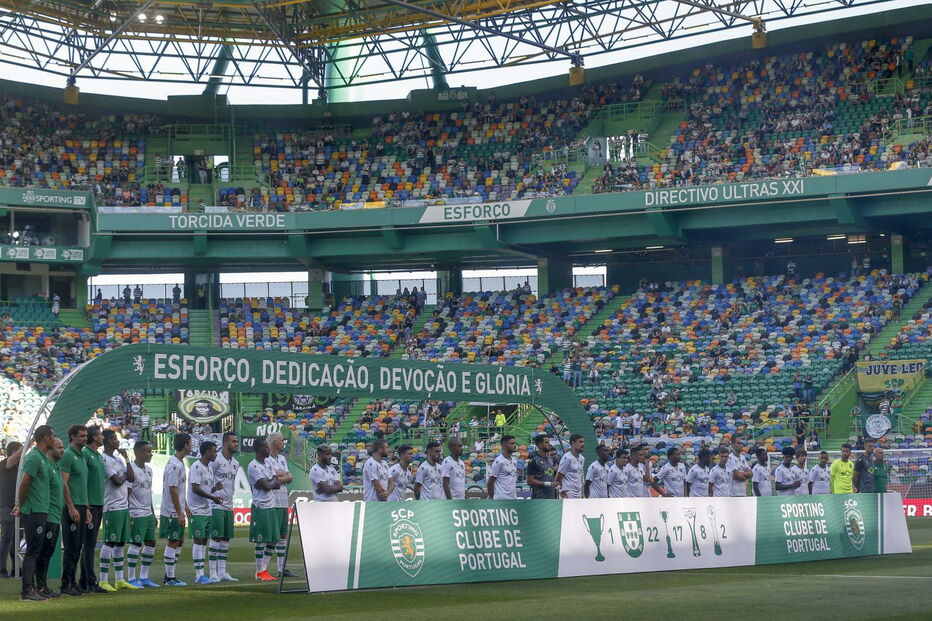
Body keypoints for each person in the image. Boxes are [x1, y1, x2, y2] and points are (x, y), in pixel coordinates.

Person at [12, 425, 55, 601]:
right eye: (53, 436)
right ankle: (27, 591)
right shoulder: (34, 457)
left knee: (36, 550)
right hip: (34, 511)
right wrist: (20, 505)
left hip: (41, 509)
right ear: (46, 438)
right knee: (32, 551)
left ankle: (33, 589)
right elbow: (24, 484)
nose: (55, 439)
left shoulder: (43, 458)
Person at [99, 429, 138, 591]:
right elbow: (117, 481)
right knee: (110, 541)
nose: (117, 441)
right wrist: (121, 476)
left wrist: (127, 459)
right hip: (112, 506)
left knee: (120, 543)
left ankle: (120, 579)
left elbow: (131, 477)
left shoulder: (118, 459)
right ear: (107, 441)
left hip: (123, 506)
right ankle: (103, 580)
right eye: (114, 439)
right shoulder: (104, 459)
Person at [58, 425, 88, 595]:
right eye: (82, 436)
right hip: (72, 507)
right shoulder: (68, 455)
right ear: (72, 437)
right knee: (71, 547)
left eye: (85, 436)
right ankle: (65, 584)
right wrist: (71, 507)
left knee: (77, 546)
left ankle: (72, 581)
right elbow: (63, 483)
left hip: (82, 506)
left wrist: (87, 508)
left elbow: (83, 486)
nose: (85, 438)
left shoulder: (81, 456)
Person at [247, 437, 282, 582]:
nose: (268, 449)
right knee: (260, 541)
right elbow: (268, 486)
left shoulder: (268, 463)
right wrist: (270, 482)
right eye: (266, 447)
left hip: (271, 505)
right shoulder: (253, 466)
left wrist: (270, 482)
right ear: (259, 449)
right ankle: (259, 571)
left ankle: (264, 568)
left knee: (274, 540)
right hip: (260, 506)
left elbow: (277, 483)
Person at [188, 440, 222, 584]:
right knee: (198, 540)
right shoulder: (196, 466)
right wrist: (212, 497)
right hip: (197, 510)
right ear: (207, 452)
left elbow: (205, 489)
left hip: (206, 509)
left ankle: (202, 574)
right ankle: (199, 575)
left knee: (203, 541)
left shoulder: (208, 468)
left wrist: (214, 489)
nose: (216, 454)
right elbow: (195, 488)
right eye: (214, 451)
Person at [126, 440, 159, 588]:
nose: (151, 454)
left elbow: (148, 493)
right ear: (139, 452)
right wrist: (129, 515)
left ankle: (144, 577)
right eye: (148, 451)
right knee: (136, 543)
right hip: (136, 512)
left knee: (151, 543)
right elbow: (126, 494)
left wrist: (152, 512)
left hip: (147, 513)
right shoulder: (130, 470)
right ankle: (131, 578)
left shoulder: (149, 470)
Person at [160, 433, 191, 587]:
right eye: (190, 444)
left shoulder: (179, 463)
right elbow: (172, 490)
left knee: (179, 540)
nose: (191, 446)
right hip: (172, 511)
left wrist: (185, 505)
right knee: (173, 541)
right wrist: (179, 512)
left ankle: (169, 574)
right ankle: (169, 578)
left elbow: (179, 489)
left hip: (177, 509)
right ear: (185, 445)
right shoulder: (173, 465)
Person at [208, 432, 239, 582]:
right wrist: (213, 490)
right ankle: (213, 572)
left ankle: (222, 572)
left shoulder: (235, 463)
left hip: (229, 505)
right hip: (216, 504)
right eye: (233, 441)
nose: (236, 444)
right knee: (216, 537)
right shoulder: (216, 460)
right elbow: (207, 480)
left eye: (237, 441)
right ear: (226, 442)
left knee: (226, 539)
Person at [36, 437, 64, 599]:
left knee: (48, 551)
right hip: (47, 515)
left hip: (55, 515)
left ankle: (42, 585)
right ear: (50, 449)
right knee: (43, 552)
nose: (62, 450)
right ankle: (39, 586)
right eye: (59, 447)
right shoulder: (46, 466)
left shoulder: (55, 467)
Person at [81, 425, 106, 593]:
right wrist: (87, 505)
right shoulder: (86, 455)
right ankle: (89, 581)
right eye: (100, 435)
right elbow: (82, 482)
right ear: (95, 437)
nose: (102, 437)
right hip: (90, 505)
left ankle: (86, 580)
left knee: (90, 544)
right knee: (88, 545)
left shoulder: (97, 455)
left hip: (99, 503)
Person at [266, 433, 294, 578]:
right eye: (282, 440)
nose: (283, 442)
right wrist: (284, 476)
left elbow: (290, 477)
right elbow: (274, 479)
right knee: (273, 537)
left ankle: (281, 568)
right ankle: (262, 569)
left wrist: (282, 476)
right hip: (273, 501)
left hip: (283, 501)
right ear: (274, 442)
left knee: (283, 536)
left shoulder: (282, 459)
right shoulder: (267, 459)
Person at [0, 441, 22, 579]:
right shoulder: (4, 464)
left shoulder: (19, 468)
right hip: (6, 507)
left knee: (15, 539)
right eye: (20, 451)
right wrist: (29, 442)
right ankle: (1, 569)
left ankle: (15, 568)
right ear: (14, 452)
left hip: (16, 508)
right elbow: (12, 460)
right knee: (6, 538)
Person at [554, 433, 585, 499]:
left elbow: (580, 476)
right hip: (567, 494)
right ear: (573, 443)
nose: (583, 444)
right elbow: (558, 477)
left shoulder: (582, 458)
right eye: (580, 442)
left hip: (579, 494)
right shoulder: (567, 458)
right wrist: (560, 490)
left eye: (583, 442)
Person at [487, 435, 518, 500]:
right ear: (504, 445)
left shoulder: (514, 460)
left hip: (513, 498)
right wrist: (491, 497)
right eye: (512, 443)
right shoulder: (499, 461)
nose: (514, 445)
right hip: (501, 498)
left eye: (515, 443)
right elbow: (490, 482)